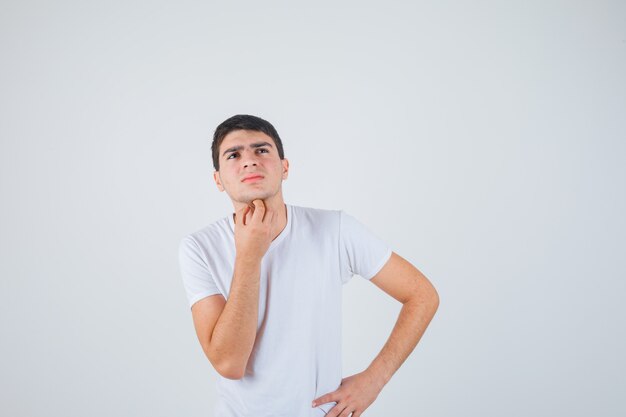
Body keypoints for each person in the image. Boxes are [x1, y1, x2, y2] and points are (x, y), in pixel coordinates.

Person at [178, 114, 440, 417]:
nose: (249, 161)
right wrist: (249, 256)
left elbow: (422, 296)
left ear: (284, 167)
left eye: (261, 150)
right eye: (234, 155)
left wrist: (374, 380)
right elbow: (230, 364)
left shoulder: (335, 230)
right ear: (218, 180)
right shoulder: (198, 248)